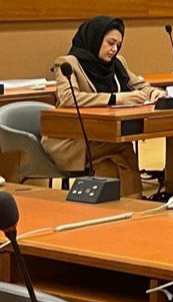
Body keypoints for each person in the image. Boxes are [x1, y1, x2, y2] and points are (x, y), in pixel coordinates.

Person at [44, 16, 164, 196]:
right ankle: (135, 201)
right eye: (110, 43)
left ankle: (119, 204)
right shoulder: (67, 63)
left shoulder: (117, 63)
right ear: (96, 38)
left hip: (103, 135)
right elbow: (69, 99)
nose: (114, 49)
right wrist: (115, 99)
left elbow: (139, 85)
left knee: (110, 161)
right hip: (73, 139)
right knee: (123, 147)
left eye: (118, 45)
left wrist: (154, 93)